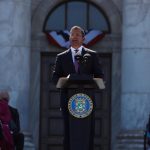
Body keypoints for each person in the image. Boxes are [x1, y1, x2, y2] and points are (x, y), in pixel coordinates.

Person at [52, 26, 104, 150]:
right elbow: (55, 78)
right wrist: (66, 80)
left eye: (77, 35)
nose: (74, 37)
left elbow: (100, 76)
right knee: (68, 132)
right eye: (72, 35)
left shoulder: (91, 55)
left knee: (87, 132)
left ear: (83, 38)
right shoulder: (61, 57)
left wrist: (88, 79)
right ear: (69, 37)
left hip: (87, 100)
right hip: (67, 100)